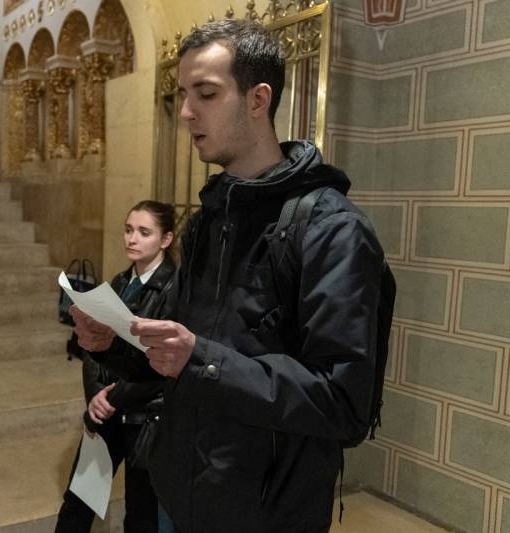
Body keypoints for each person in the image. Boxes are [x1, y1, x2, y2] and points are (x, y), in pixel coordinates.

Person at [71, 20, 388, 532]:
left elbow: (343, 403)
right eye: (182, 94)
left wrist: (202, 360)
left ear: (258, 99)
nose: (186, 112)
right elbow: (175, 357)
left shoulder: (332, 229)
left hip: (265, 512)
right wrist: (112, 345)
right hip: (181, 492)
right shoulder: (207, 221)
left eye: (206, 94)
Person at [55, 200, 178, 533]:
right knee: (77, 503)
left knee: (140, 515)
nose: (132, 239)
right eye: (128, 230)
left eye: (144, 232)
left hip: (146, 417)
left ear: (166, 239)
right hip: (107, 412)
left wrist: (112, 397)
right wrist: (95, 397)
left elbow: (162, 365)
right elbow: (92, 350)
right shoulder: (120, 282)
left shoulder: (175, 288)